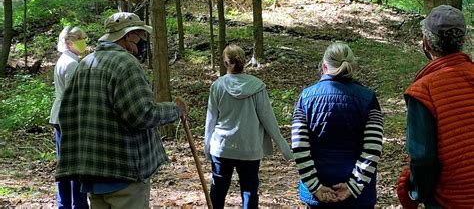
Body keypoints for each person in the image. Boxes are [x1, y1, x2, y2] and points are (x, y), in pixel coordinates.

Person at [55, 12, 187, 209]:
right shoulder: (126, 65)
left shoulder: (85, 64)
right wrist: (175, 110)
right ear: (128, 36)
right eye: (141, 37)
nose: (143, 42)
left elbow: (67, 114)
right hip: (124, 173)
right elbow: (142, 115)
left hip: (93, 172)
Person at [397, 5, 474, 209]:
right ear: (462, 41)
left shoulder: (423, 91)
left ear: (426, 43)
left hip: (450, 201)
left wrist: (414, 191)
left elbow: (423, 158)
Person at [292, 42, 384, 208]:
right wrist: (353, 186)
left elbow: (299, 148)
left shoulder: (305, 98)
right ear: (353, 66)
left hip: (318, 196)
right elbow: (373, 149)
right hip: (358, 198)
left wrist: (315, 187)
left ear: (324, 66)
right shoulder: (368, 98)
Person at [204, 44, 293, 209]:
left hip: (222, 147)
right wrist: (284, 148)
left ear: (225, 63)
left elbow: (211, 120)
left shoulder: (217, 86)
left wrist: (207, 146)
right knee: (249, 190)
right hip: (249, 149)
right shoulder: (257, 86)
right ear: (244, 63)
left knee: (218, 190)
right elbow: (268, 119)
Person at [50, 26, 89, 209]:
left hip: (60, 116)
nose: (84, 42)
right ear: (68, 42)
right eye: (80, 39)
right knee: (74, 165)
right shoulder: (72, 63)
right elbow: (76, 94)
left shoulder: (64, 60)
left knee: (64, 164)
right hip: (69, 117)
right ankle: (77, 205)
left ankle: (64, 204)